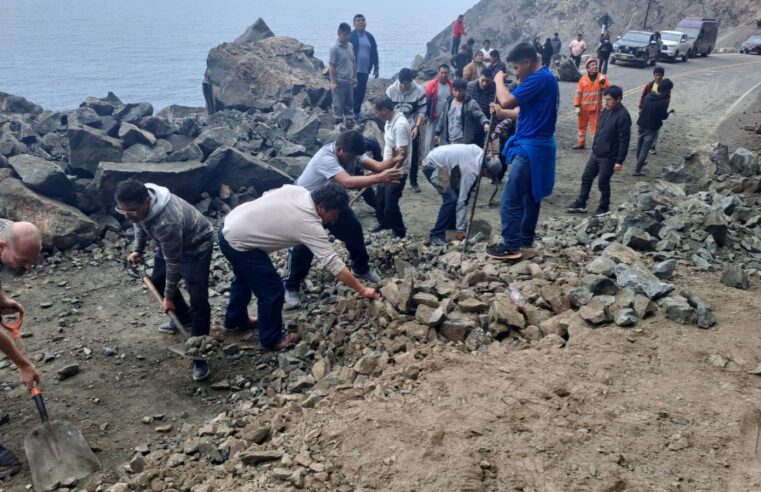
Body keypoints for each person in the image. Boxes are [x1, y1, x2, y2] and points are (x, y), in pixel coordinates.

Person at [219, 183, 379, 353]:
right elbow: (333, 263)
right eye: (335, 214)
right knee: (272, 289)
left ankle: (235, 319)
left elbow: (269, 192)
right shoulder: (308, 224)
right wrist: (362, 290)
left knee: (244, 277)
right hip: (238, 242)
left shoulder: (299, 191)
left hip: (231, 224)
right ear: (322, 207)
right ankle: (271, 340)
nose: (335, 219)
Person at [283, 131, 403, 307]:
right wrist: (379, 179)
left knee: (353, 230)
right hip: (306, 206)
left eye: (356, 156)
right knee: (304, 247)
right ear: (339, 150)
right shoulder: (326, 158)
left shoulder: (351, 152)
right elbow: (347, 182)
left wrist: (395, 159)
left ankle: (361, 268)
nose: (353, 160)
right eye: (351, 156)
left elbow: (378, 167)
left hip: (331, 202)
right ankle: (291, 285)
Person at [117, 179, 214, 381]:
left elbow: (174, 263)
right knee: (158, 280)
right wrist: (138, 249)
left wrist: (168, 298)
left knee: (198, 298)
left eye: (131, 211)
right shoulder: (138, 208)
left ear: (147, 202)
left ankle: (199, 352)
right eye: (122, 211)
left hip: (197, 244)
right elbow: (139, 223)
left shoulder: (166, 221)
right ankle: (184, 318)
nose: (127, 216)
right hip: (172, 242)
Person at [486, 42, 559, 261]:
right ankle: (525, 240)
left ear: (526, 63)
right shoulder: (546, 78)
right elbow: (524, 113)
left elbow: (507, 98)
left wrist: (499, 80)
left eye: (516, 68)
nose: (516, 72)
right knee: (530, 196)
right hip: (538, 145)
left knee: (510, 197)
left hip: (531, 148)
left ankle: (511, 245)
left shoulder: (539, 79)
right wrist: (502, 113)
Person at [0, 220, 41, 479]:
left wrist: (1, 298)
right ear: (3, 246)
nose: (28, 267)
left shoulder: (4, 229)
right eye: (23, 260)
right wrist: (23, 363)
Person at [567, 85, 632, 216]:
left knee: (603, 182)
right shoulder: (606, 111)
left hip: (609, 157)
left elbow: (624, 141)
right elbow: (600, 129)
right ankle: (581, 203)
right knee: (586, 177)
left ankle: (604, 207)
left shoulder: (624, 117)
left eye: (609, 100)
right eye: (605, 99)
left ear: (618, 99)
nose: (605, 102)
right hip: (596, 153)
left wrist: (619, 160)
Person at [423, 144, 504, 245]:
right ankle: (436, 234)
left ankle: (451, 224)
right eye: (489, 175)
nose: (487, 177)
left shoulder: (479, 153)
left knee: (458, 194)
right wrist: (460, 230)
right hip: (432, 166)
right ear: (485, 170)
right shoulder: (471, 170)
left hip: (442, 160)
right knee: (451, 199)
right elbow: (462, 200)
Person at [371, 97, 410, 238]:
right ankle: (384, 223)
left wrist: (391, 172)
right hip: (386, 167)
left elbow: (402, 153)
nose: (376, 115)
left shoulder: (400, 126)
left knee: (390, 204)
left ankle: (399, 231)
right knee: (380, 200)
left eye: (377, 112)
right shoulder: (389, 121)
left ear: (385, 110)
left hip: (397, 171)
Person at [386, 68, 427, 193]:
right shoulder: (391, 90)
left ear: (411, 81)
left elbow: (422, 111)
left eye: (407, 84)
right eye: (402, 83)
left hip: (411, 125)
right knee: (393, 152)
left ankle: (413, 181)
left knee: (413, 154)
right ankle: (392, 176)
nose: (404, 87)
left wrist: (417, 126)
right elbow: (386, 109)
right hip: (394, 125)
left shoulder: (419, 91)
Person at [634, 78, 674, 176]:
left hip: (641, 124)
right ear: (666, 90)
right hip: (651, 127)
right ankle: (637, 170)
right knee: (645, 149)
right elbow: (662, 116)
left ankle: (640, 163)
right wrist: (669, 113)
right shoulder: (663, 102)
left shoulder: (648, 96)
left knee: (639, 144)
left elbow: (644, 108)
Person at [435, 78, 490, 146]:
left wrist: (485, 123)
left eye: (460, 91)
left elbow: (480, 115)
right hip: (449, 141)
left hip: (464, 142)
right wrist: (437, 133)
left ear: (465, 90)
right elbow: (442, 118)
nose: (458, 93)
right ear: (452, 89)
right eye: (455, 90)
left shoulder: (471, 103)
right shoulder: (448, 103)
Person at [572, 58, 609, 150]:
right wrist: (577, 106)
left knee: (595, 129)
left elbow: (607, 90)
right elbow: (578, 93)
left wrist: (602, 82)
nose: (595, 66)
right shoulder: (583, 79)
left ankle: (596, 145)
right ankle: (581, 143)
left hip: (595, 109)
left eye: (595, 64)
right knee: (581, 127)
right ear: (588, 68)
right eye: (592, 65)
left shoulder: (602, 78)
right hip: (583, 109)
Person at [350, 14, 379, 121]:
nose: (361, 22)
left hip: (365, 70)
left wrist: (376, 68)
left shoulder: (370, 37)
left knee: (361, 92)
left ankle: (357, 113)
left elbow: (374, 53)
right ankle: (349, 113)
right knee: (352, 92)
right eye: (358, 20)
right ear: (354, 23)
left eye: (363, 20)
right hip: (352, 70)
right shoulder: (351, 36)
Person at [329, 22, 357, 126]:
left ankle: (349, 121)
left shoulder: (350, 46)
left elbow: (353, 61)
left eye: (349, 34)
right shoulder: (334, 48)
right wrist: (333, 82)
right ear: (339, 33)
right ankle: (338, 123)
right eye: (345, 34)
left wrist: (355, 77)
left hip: (349, 80)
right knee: (338, 104)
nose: (347, 37)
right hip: (339, 81)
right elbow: (331, 66)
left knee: (349, 103)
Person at [639, 66, 669, 155]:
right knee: (643, 127)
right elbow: (643, 96)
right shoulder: (649, 85)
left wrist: (664, 111)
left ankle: (652, 146)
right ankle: (641, 145)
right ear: (654, 75)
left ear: (663, 76)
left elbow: (667, 100)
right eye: (656, 75)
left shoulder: (665, 87)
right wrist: (641, 108)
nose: (658, 77)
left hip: (658, 111)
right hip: (647, 110)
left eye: (660, 75)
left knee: (655, 129)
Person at [424, 64, 453, 156]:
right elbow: (427, 101)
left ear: (449, 74)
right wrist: (426, 115)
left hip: (446, 118)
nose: (444, 75)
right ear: (438, 73)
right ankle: (428, 159)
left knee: (445, 140)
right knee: (430, 140)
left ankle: (443, 161)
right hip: (433, 117)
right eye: (442, 73)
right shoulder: (431, 85)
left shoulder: (451, 85)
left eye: (446, 73)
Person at [466, 70, 496, 147]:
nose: (484, 83)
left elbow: (494, 113)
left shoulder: (494, 90)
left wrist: (492, 131)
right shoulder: (469, 86)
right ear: (479, 77)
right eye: (482, 80)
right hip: (469, 127)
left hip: (484, 127)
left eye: (487, 81)